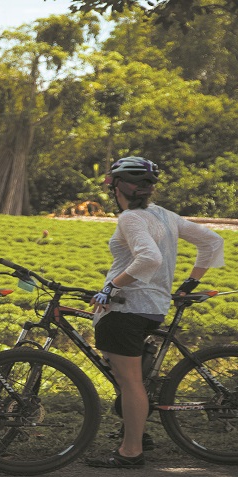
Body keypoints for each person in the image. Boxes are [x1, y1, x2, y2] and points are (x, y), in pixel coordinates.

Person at [85, 157, 224, 469]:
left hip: (127, 307)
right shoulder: (164, 215)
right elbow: (213, 241)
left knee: (130, 381)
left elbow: (149, 259)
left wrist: (110, 287)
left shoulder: (131, 219)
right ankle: (136, 434)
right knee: (132, 379)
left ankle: (130, 452)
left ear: (116, 185)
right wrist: (190, 281)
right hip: (154, 307)